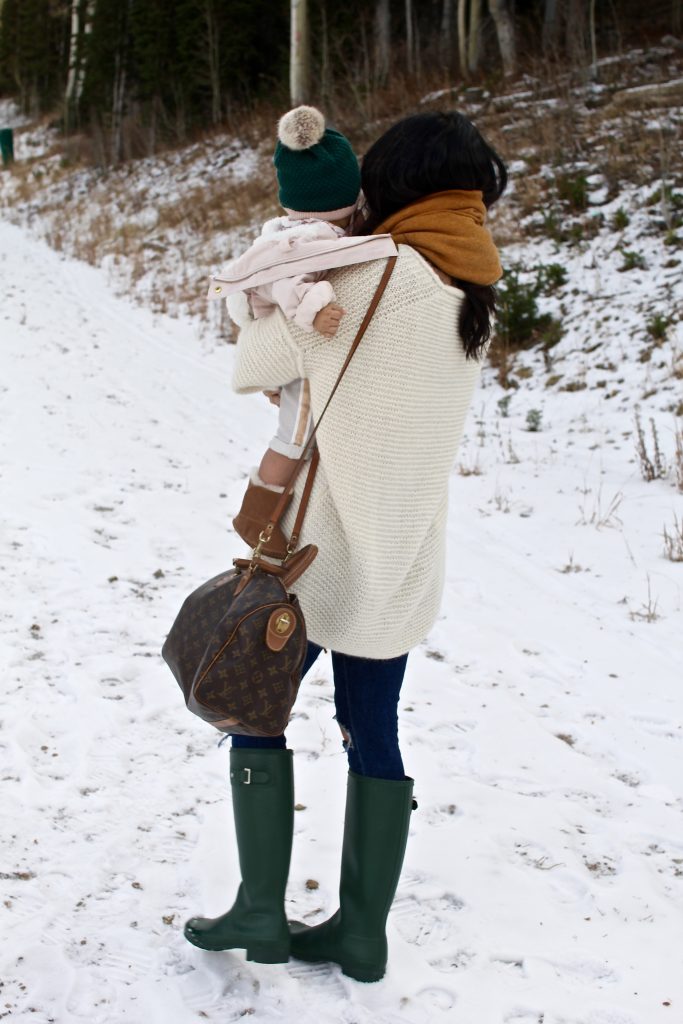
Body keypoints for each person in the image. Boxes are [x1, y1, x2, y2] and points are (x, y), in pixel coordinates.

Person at [184, 110, 507, 982]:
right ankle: (362, 933)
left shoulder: (374, 273)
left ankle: (260, 908)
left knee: (255, 709)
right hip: (402, 560)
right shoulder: (471, 288)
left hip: (314, 559)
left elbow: (252, 362)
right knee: (375, 735)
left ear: (393, 185)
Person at [212, 106, 395, 558]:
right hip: (294, 353)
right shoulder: (300, 242)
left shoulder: (291, 228)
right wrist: (316, 312)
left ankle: (278, 508)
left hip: (282, 346)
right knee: (293, 437)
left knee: (302, 435)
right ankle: (258, 516)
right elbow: (292, 282)